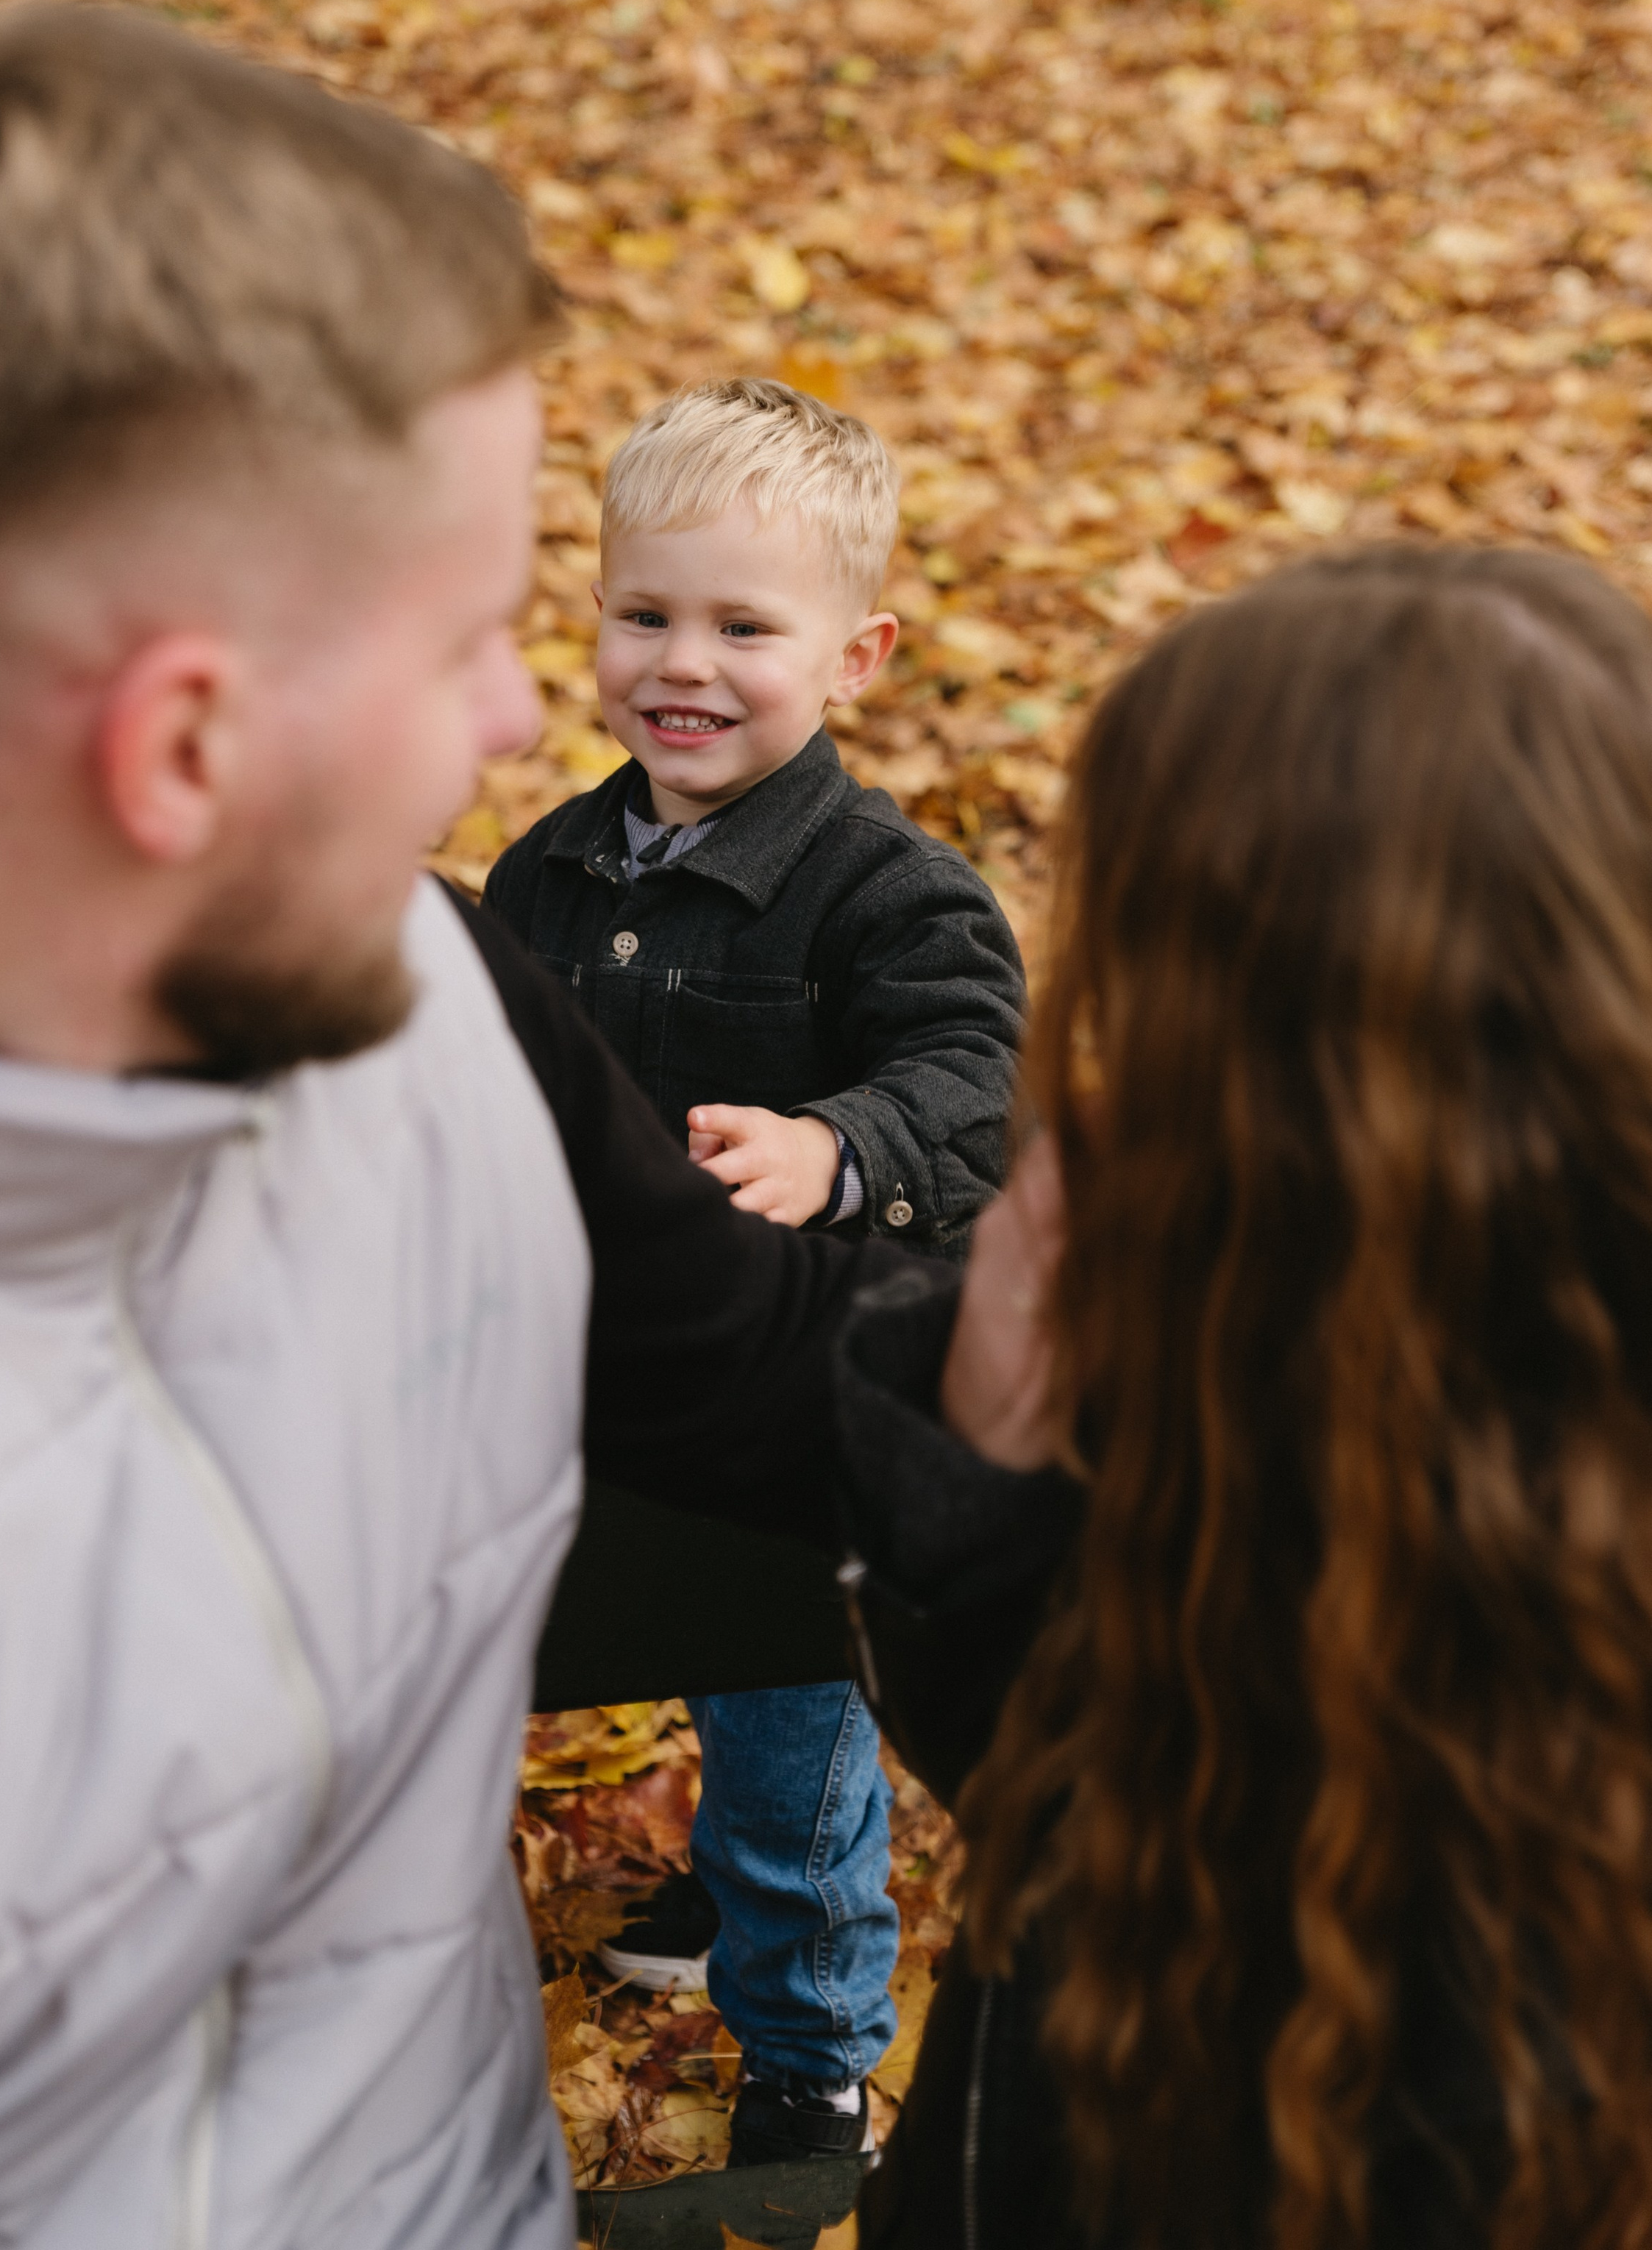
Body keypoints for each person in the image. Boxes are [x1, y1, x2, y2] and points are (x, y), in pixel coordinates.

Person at [0, 2, 977, 2250]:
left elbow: (758, 1363)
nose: (535, 714)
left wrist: (1229, 1340)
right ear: (183, 752)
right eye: (458, 644)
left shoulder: (420, 992)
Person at [832, 545, 1652, 2249]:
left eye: (1153, 984)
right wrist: (986, 1490)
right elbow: (1093, 1801)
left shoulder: (1503, 1909)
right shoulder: (1320, 1376)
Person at [483, 380, 1025, 2165]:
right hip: (594, 1367)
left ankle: (809, 2054)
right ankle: (728, 1893)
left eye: (741, 625)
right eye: (645, 613)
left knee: (786, 1719)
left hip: (791, 1403)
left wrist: (840, 1143)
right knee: (608, 1638)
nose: (680, 664)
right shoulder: (551, 866)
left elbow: (976, 1075)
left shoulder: (886, 892)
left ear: (855, 654)